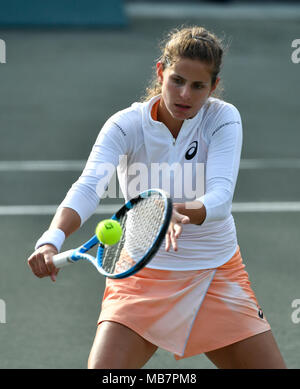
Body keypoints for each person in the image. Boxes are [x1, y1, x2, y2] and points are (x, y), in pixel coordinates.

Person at [27, 26, 286, 369]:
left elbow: (220, 199)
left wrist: (175, 211)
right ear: (161, 71)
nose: (185, 94)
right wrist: (51, 240)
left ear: (214, 87)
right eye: (177, 79)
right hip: (141, 276)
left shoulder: (223, 118)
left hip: (215, 273)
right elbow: (89, 186)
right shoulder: (125, 125)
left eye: (198, 86)